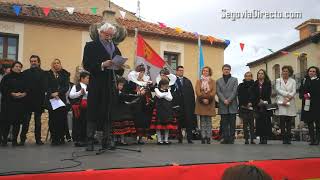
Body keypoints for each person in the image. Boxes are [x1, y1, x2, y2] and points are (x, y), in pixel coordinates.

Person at [83, 22, 124, 151]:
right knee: (93, 112)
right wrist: (102, 64)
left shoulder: (115, 47)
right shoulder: (91, 46)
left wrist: (120, 67)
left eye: (111, 35)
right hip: (96, 84)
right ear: (101, 33)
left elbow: (118, 68)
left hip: (110, 84)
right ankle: (90, 140)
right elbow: (87, 65)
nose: (109, 38)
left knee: (109, 113)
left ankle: (107, 140)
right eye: (107, 35)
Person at [19, 55, 47, 145]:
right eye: (32, 61)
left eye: (35, 61)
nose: (33, 63)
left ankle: (38, 140)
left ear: (38, 62)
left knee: (38, 122)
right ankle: (22, 139)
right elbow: (22, 86)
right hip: (27, 100)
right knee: (25, 122)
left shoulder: (43, 73)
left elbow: (44, 87)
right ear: (30, 62)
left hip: (38, 100)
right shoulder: (25, 73)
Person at [0, 62, 27, 146]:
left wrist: (24, 94)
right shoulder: (6, 78)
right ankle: (4, 140)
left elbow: (28, 88)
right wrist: (12, 94)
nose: (18, 68)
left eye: (19, 66)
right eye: (16, 66)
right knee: (6, 122)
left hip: (19, 104)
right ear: (12, 67)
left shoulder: (23, 78)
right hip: (8, 103)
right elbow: (3, 89)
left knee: (17, 123)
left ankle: (14, 140)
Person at [127, 64, 153, 144]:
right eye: (140, 72)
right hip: (135, 105)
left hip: (144, 105)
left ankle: (141, 138)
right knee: (135, 121)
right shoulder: (132, 82)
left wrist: (147, 93)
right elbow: (129, 92)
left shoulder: (146, 82)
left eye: (143, 72)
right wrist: (138, 92)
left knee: (143, 121)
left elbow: (149, 93)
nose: (142, 74)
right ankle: (134, 138)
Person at [47, 59, 70, 146]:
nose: (56, 65)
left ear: (60, 64)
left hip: (61, 99)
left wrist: (58, 93)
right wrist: (52, 94)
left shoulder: (65, 74)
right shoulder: (49, 74)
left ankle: (61, 137)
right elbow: (46, 85)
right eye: (54, 63)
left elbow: (66, 86)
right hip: (52, 99)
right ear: (52, 65)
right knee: (52, 119)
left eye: (58, 63)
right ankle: (54, 138)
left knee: (61, 119)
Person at [171, 66, 196, 144]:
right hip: (177, 105)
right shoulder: (173, 81)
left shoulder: (187, 81)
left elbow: (192, 94)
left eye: (182, 70)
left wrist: (192, 105)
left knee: (188, 122)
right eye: (180, 70)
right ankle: (179, 138)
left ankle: (189, 138)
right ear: (177, 71)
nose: (181, 72)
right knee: (179, 122)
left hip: (187, 106)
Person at [150, 78, 177, 145]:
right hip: (159, 109)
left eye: (167, 85)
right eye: (165, 85)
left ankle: (166, 139)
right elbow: (159, 95)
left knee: (167, 125)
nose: (166, 86)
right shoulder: (156, 89)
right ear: (161, 85)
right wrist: (166, 93)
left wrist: (164, 94)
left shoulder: (168, 90)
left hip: (167, 109)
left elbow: (170, 98)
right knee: (158, 126)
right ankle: (159, 140)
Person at [216, 64, 238, 144]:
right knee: (224, 123)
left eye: (228, 69)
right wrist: (224, 100)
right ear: (222, 70)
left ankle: (231, 139)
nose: (226, 70)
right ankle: (225, 138)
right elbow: (218, 92)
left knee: (232, 123)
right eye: (225, 69)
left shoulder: (235, 80)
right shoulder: (218, 81)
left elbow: (235, 91)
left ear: (230, 70)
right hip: (223, 104)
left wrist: (229, 100)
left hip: (232, 104)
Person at [111, 77, 137, 145]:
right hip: (115, 112)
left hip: (121, 112)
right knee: (116, 127)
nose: (121, 87)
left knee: (122, 126)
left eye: (122, 85)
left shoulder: (121, 92)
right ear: (116, 84)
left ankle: (122, 140)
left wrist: (130, 101)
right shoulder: (113, 92)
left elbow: (126, 98)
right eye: (120, 85)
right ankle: (115, 140)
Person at [275, 65, 296, 145]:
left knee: (289, 121)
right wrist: (288, 94)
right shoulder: (278, 80)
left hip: (290, 101)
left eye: (286, 71)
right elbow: (278, 89)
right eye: (283, 71)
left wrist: (288, 98)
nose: (285, 72)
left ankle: (289, 138)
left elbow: (294, 91)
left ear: (289, 72)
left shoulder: (293, 81)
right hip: (281, 102)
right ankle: (284, 138)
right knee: (282, 120)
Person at [195, 66, 216, 144]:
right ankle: (203, 137)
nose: (205, 72)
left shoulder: (213, 81)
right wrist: (203, 99)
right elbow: (197, 91)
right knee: (202, 121)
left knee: (209, 122)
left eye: (206, 71)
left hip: (210, 103)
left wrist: (208, 99)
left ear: (209, 72)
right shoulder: (198, 81)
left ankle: (208, 137)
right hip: (201, 103)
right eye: (203, 71)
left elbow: (213, 91)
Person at [299, 66, 320, 145]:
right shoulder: (304, 80)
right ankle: (312, 139)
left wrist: (309, 94)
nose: (312, 72)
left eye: (314, 71)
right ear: (308, 72)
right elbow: (301, 90)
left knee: (318, 123)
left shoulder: (318, 80)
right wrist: (302, 95)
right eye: (310, 71)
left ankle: (317, 139)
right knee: (309, 122)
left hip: (317, 104)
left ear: (316, 73)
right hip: (307, 104)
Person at [69, 71, 90, 147]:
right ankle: (78, 140)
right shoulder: (76, 86)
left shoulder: (90, 86)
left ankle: (85, 138)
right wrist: (80, 93)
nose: (89, 80)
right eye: (87, 78)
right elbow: (71, 96)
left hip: (87, 107)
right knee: (78, 123)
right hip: (79, 107)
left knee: (86, 123)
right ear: (82, 78)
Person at [252, 69, 272, 144]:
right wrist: (257, 101)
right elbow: (253, 94)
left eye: (262, 73)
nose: (260, 75)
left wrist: (263, 101)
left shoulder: (268, 83)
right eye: (259, 73)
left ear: (264, 75)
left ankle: (265, 138)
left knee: (266, 122)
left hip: (266, 105)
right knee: (259, 122)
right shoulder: (255, 83)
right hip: (257, 105)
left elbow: (269, 93)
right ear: (257, 75)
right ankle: (260, 138)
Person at [237, 72, 255, 144]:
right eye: (246, 76)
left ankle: (252, 139)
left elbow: (255, 95)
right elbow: (240, 96)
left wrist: (251, 103)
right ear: (244, 77)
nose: (248, 77)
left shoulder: (254, 85)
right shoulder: (241, 85)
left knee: (252, 124)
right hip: (243, 107)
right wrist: (245, 104)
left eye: (249, 76)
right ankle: (246, 139)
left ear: (251, 77)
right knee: (245, 124)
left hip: (251, 107)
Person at [0, 64, 11, 145]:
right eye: (7, 68)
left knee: (7, 121)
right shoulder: (1, 77)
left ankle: (6, 137)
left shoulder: (11, 78)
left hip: (8, 103)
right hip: (2, 102)